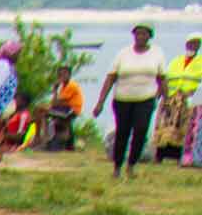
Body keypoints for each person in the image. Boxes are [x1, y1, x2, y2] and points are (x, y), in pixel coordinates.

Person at [92, 23, 166, 178]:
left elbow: (162, 79)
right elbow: (111, 77)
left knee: (140, 131)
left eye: (143, 34)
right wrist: (100, 102)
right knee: (122, 132)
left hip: (145, 99)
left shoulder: (157, 54)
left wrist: (164, 99)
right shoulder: (123, 54)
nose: (140, 37)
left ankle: (131, 165)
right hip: (122, 99)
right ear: (133, 36)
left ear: (149, 36)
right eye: (137, 34)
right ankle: (117, 166)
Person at [155, 32, 202, 162]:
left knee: (185, 128)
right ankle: (160, 154)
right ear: (186, 44)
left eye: (197, 43)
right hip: (171, 97)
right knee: (164, 127)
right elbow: (165, 78)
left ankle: (180, 156)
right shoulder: (176, 61)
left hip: (190, 99)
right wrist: (159, 95)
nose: (194, 46)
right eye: (192, 43)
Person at [45, 65, 83, 151]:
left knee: (44, 113)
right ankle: (67, 145)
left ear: (69, 75)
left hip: (71, 109)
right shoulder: (63, 87)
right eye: (60, 75)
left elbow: (56, 102)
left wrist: (55, 89)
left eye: (64, 74)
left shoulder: (71, 86)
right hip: (64, 109)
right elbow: (56, 103)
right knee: (48, 115)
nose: (62, 77)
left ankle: (44, 138)